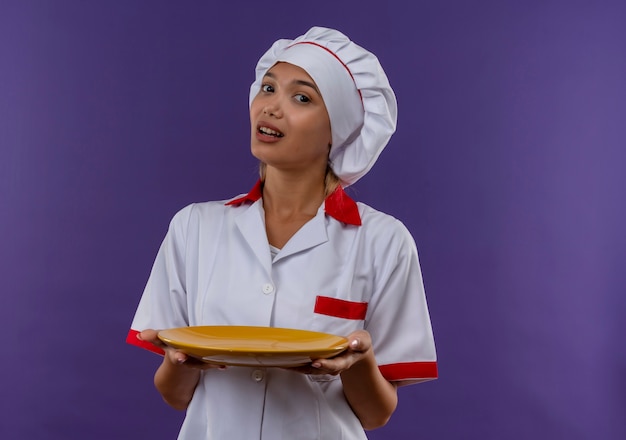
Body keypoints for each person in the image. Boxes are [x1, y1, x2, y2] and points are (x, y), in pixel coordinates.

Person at [127, 26, 437, 439]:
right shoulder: (193, 228)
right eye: (268, 88)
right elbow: (177, 396)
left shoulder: (383, 241)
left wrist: (359, 362)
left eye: (301, 97)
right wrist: (178, 360)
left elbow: (377, 414)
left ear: (337, 131)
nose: (271, 108)